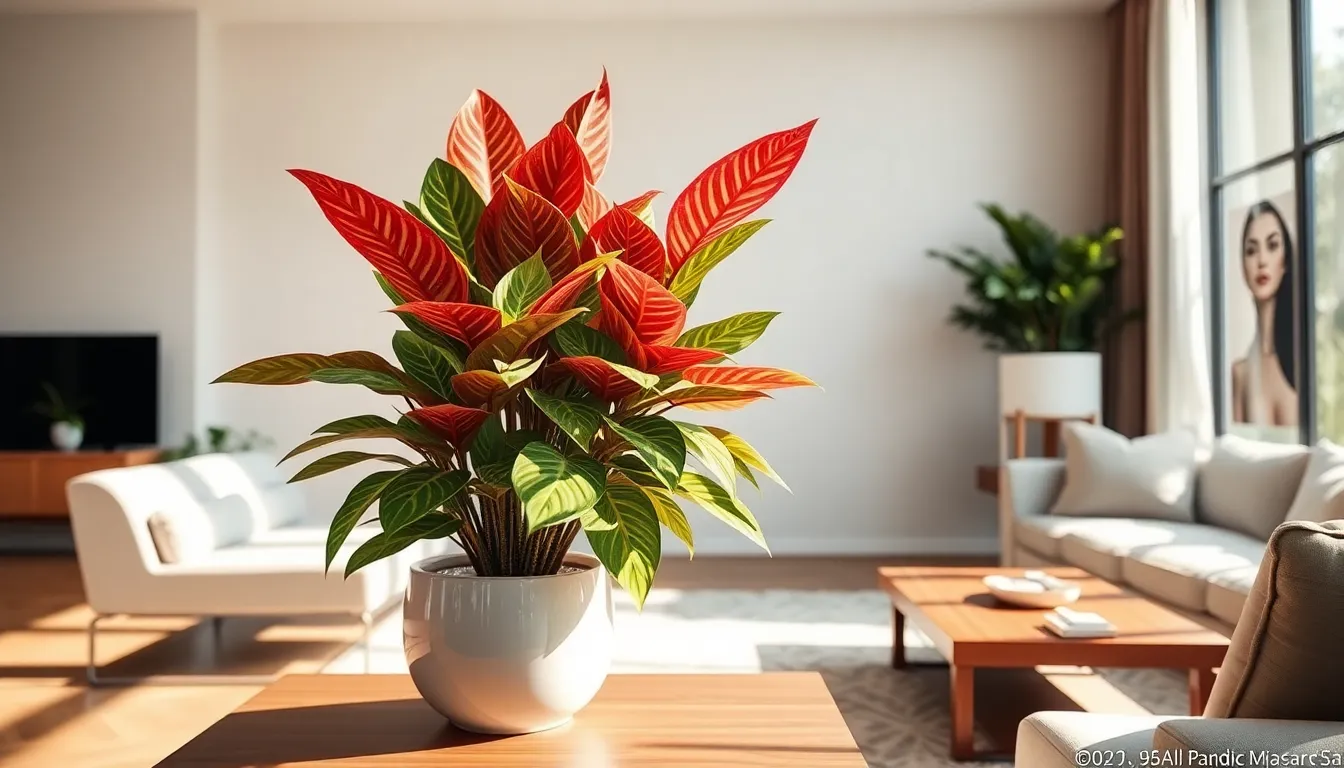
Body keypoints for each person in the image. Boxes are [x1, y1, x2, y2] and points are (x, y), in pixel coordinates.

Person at [1231, 200, 1298, 427]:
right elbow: (1236, 447)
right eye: (1251, 251)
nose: (1262, 261)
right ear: (1243, 266)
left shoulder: (1306, 359)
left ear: (1285, 260)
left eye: (1272, 245)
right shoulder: (1241, 373)